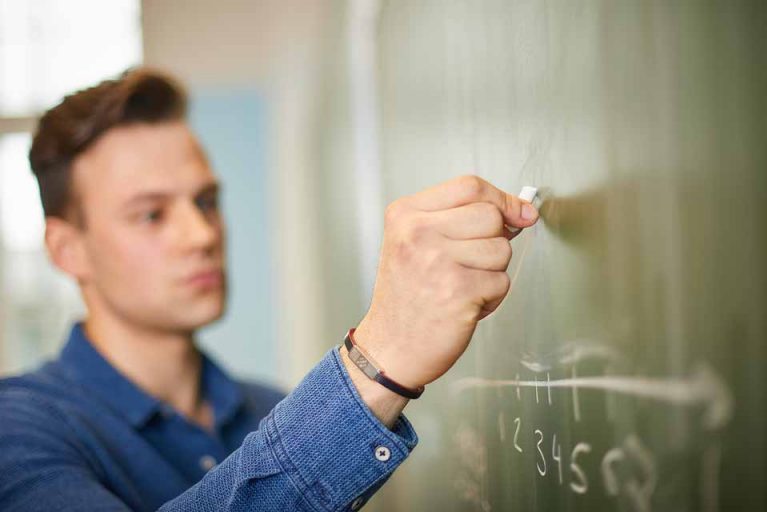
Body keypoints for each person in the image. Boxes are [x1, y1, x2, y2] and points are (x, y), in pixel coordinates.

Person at [0, 68, 539, 511]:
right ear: (66, 250)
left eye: (206, 202)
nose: (202, 235)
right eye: (151, 215)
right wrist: (377, 364)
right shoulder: (19, 430)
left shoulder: (270, 407)